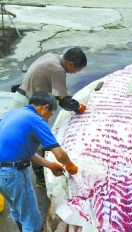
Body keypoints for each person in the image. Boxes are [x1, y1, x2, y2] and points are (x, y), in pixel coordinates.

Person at [0, 92, 78, 232]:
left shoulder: (15, 113)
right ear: (45, 108)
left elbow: (26, 152)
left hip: (3, 173)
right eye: (50, 114)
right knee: (33, 220)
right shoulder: (36, 120)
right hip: (13, 174)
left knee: (17, 209)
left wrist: (50, 165)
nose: (49, 118)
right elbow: (58, 153)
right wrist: (70, 165)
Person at [12, 47, 87, 187]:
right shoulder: (58, 70)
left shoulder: (52, 56)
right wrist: (79, 107)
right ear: (70, 63)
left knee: (33, 140)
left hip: (22, 95)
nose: (75, 72)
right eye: (77, 69)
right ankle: (41, 180)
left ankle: (41, 175)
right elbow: (64, 101)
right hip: (27, 102)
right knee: (38, 142)